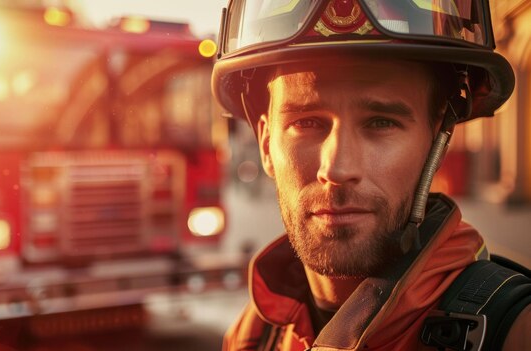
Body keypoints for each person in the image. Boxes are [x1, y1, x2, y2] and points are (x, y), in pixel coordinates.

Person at [211, 0, 531, 350]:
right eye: (306, 123)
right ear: (266, 144)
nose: (337, 169)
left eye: (381, 123)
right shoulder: (253, 335)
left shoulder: (514, 332)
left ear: (436, 143)